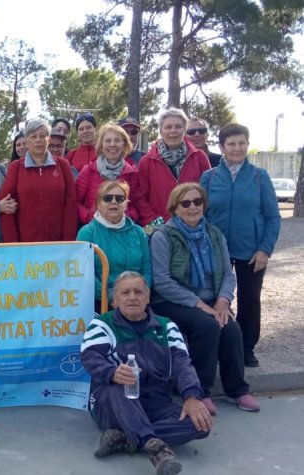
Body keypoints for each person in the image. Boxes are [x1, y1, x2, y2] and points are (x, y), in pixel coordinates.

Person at [81, 271, 211, 475]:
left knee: (200, 425)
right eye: (125, 292)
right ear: (115, 300)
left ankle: (125, 439)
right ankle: (155, 449)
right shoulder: (102, 324)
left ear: (147, 297)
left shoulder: (167, 326)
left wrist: (192, 396)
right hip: (113, 404)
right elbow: (90, 357)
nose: (132, 297)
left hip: (156, 403)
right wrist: (112, 372)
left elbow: (182, 364)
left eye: (138, 292)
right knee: (120, 386)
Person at [150, 183, 260, 414]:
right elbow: (162, 282)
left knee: (230, 328)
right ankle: (199, 391)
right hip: (173, 301)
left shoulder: (214, 234)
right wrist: (200, 305)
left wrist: (223, 301)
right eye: (186, 203)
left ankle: (237, 389)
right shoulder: (163, 236)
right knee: (207, 325)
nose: (192, 208)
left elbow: (228, 275)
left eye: (197, 202)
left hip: (211, 300)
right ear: (175, 207)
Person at [200, 123, 280, 368]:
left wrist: (265, 249)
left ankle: (246, 348)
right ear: (222, 147)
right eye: (231, 144)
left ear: (247, 145)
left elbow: (272, 217)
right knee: (216, 297)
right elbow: (199, 213)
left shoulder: (259, 177)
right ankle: (220, 345)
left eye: (241, 143)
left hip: (251, 250)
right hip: (216, 250)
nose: (237, 148)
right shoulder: (210, 177)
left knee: (249, 299)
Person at [0, 119, 76, 243]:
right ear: (27, 141)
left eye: (43, 136)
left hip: (58, 243)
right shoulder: (16, 167)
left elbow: (71, 205)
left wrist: (68, 242)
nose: (38, 140)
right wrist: (12, 244)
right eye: (33, 136)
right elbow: (7, 207)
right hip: (26, 244)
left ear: (49, 139)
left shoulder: (62, 165)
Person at [77, 182, 150, 309]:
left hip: (135, 298)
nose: (114, 202)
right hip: (101, 300)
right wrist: (113, 297)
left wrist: (139, 294)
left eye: (120, 198)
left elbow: (147, 270)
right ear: (98, 203)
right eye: (107, 198)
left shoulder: (138, 232)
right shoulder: (87, 233)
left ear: (126, 203)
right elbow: (82, 274)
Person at [137, 108, 211, 226]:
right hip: (159, 228)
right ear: (161, 131)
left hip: (193, 225)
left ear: (184, 130)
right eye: (168, 127)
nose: (173, 131)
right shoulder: (146, 162)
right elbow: (140, 199)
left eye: (178, 126)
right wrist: (158, 225)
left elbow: (208, 194)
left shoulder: (199, 157)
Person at [76, 124, 140, 225]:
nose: (112, 144)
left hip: (122, 228)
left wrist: (129, 216)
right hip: (95, 227)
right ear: (101, 146)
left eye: (117, 140)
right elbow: (75, 201)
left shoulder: (131, 173)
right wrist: (89, 216)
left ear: (124, 145)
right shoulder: (88, 171)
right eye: (108, 141)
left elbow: (136, 203)